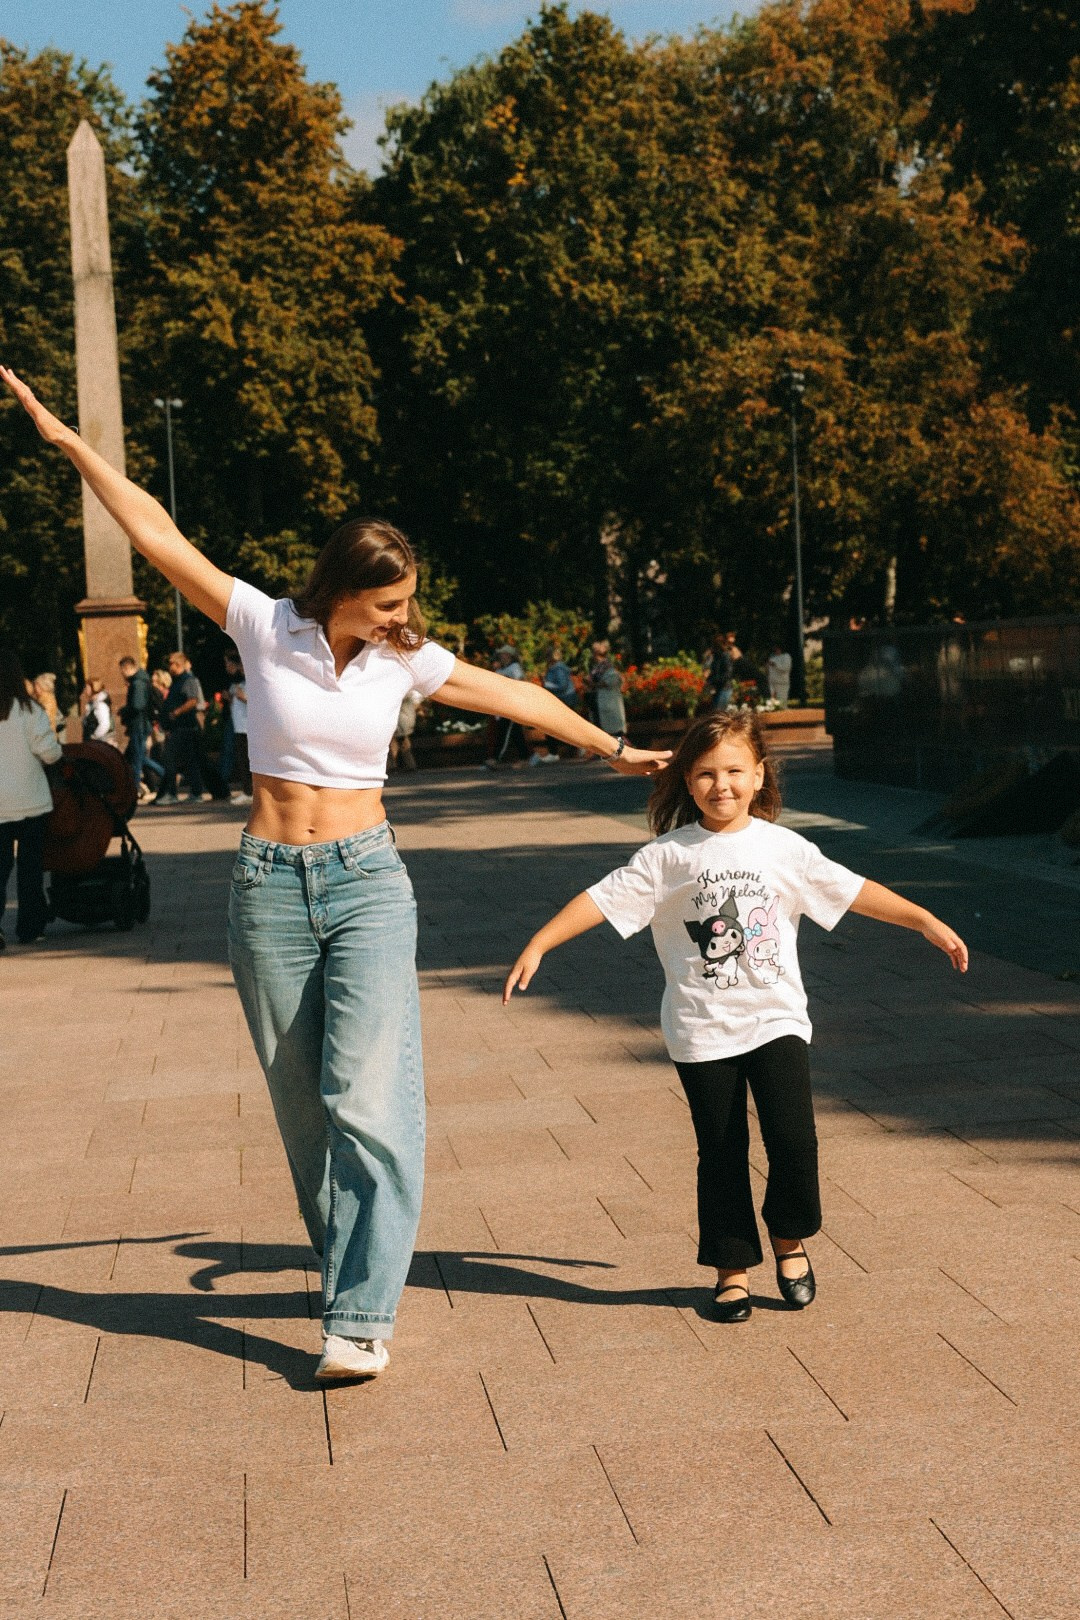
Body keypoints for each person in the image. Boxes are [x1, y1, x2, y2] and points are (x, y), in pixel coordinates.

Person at [2, 362, 669, 1384]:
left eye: (411, 601)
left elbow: (514, 698)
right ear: (343, 590)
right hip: (267, 884)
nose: (406, 615)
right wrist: (66, 442)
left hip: (366, 882)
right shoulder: (266, 625)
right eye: (389, 600)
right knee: (303, 1100)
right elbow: (156, 535)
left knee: (365, 1089)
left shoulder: (409, 658)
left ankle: (360, 1314)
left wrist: (611, 749)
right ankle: (346, 1260)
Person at [503, 709, 967, 1323]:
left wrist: (926, 921)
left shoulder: (784, 848)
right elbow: (602, 898)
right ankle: (732, 1270)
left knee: (793, 1141)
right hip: (701, 1027)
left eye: (733, 771)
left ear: (758, 775)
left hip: (775, 1019)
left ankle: (790, 1239)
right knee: (720, 1149)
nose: (721, 785)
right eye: (705, 774)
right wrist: (539, 942)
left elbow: (852, 888)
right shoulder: (668, 856)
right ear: (685, 781)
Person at [0, 646, 63, 949]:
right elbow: (49, 752)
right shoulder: (29, 711)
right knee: (29, 868)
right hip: (30, 800)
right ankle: (29, 926)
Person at [154, 651, 208, 805]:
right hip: (180, 726)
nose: (169, 666)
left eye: (171, 663)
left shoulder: (187, 680)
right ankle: (195, 792)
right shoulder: (178, 681)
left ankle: (173, 793)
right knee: (190, 761)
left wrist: (176, 712)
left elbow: (192, 700)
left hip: (185, 726)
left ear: (178, 664)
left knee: (171, 759)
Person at [118, 655, 162, 803]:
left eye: (122, 670)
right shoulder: (140, 681)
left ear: (127, 668)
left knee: (137, 759)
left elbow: (137, 705)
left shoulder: (138, 683)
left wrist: (125, 710)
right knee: (137, 757)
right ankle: (165, 776)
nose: (122, 674)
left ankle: (136, 788)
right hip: (140, 725)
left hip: (139, 725)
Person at [533, 644, 581, 765]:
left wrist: (546, 684)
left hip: (564, 700)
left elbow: (562, 686)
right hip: (562, 701)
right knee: (561, 726)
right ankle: (576, 748)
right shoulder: (556, 667)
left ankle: (554, 753)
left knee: (552, 726)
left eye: (547, 656)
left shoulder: (558, 668)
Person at [484, 646, 530, 769]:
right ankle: (525, 758)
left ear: (509, 655)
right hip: (503, 704)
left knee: (504, 731)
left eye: (503, 654)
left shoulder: (514, 668)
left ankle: (495, 758)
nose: (500, 657)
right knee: (515, 733)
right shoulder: (501, 670)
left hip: (512, 704)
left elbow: (521, 682)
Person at [221, 648, 253, 804]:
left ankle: (249, 791)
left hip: (247, 726)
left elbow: (257, 701)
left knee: (246, 759)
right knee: (242, 759)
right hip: (239, 725)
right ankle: (247, 790)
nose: (226, 667)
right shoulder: (236, 680)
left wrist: (243, 697)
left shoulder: (249, 678)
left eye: (228, 663)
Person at [589, 641, 626, 736]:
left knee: (614, 733)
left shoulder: (609, 667)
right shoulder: (596, 668)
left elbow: (611, 682)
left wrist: (594, 684)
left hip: (608, 702)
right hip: (598, 703)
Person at [389, 688, 421, 773]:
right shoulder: (408, 694)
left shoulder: (403, 693)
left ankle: (406, 765)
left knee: (401, 742)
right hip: (403, 720)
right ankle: (407, 765)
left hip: (401, 721)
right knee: (398, 741)